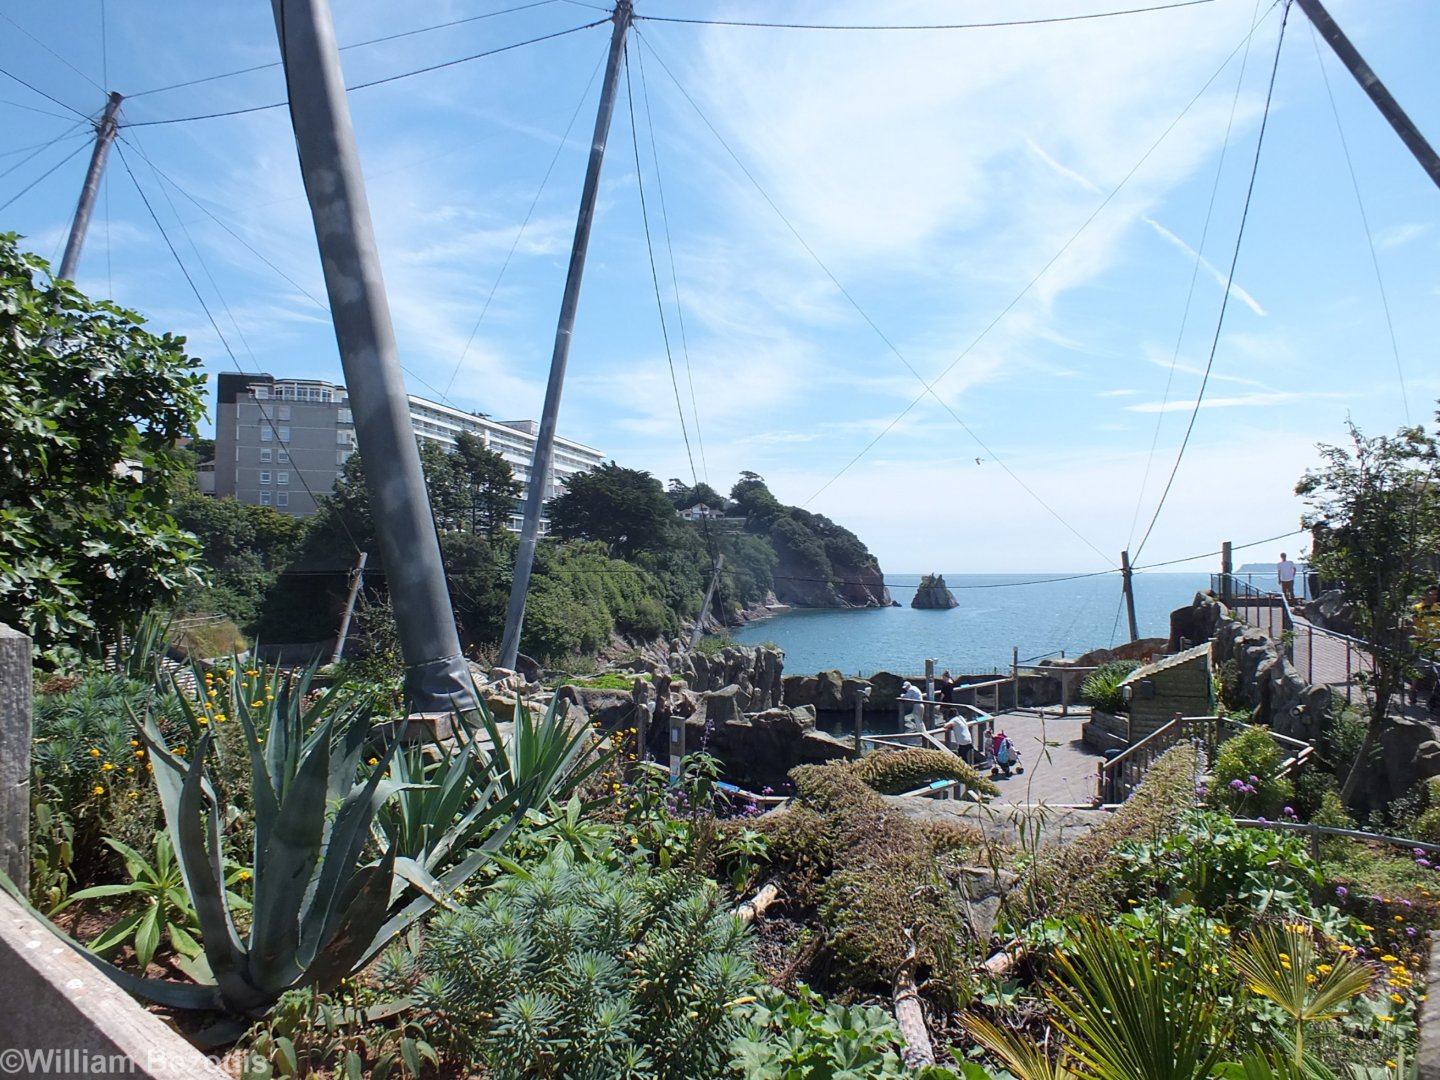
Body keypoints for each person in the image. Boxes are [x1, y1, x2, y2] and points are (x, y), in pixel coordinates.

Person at [1410, 584, 1440, 714]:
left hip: (1437, 644)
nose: (1433, 597)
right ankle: (1413, 690)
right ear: (1425, 595)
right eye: (1431, 594)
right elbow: (1411, 625)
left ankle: (1433, 700)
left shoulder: (1438, 608)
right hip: (1423, 645)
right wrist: (1417, 637)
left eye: (1435, 595)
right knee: (1419, 670)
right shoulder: (1417, 608)